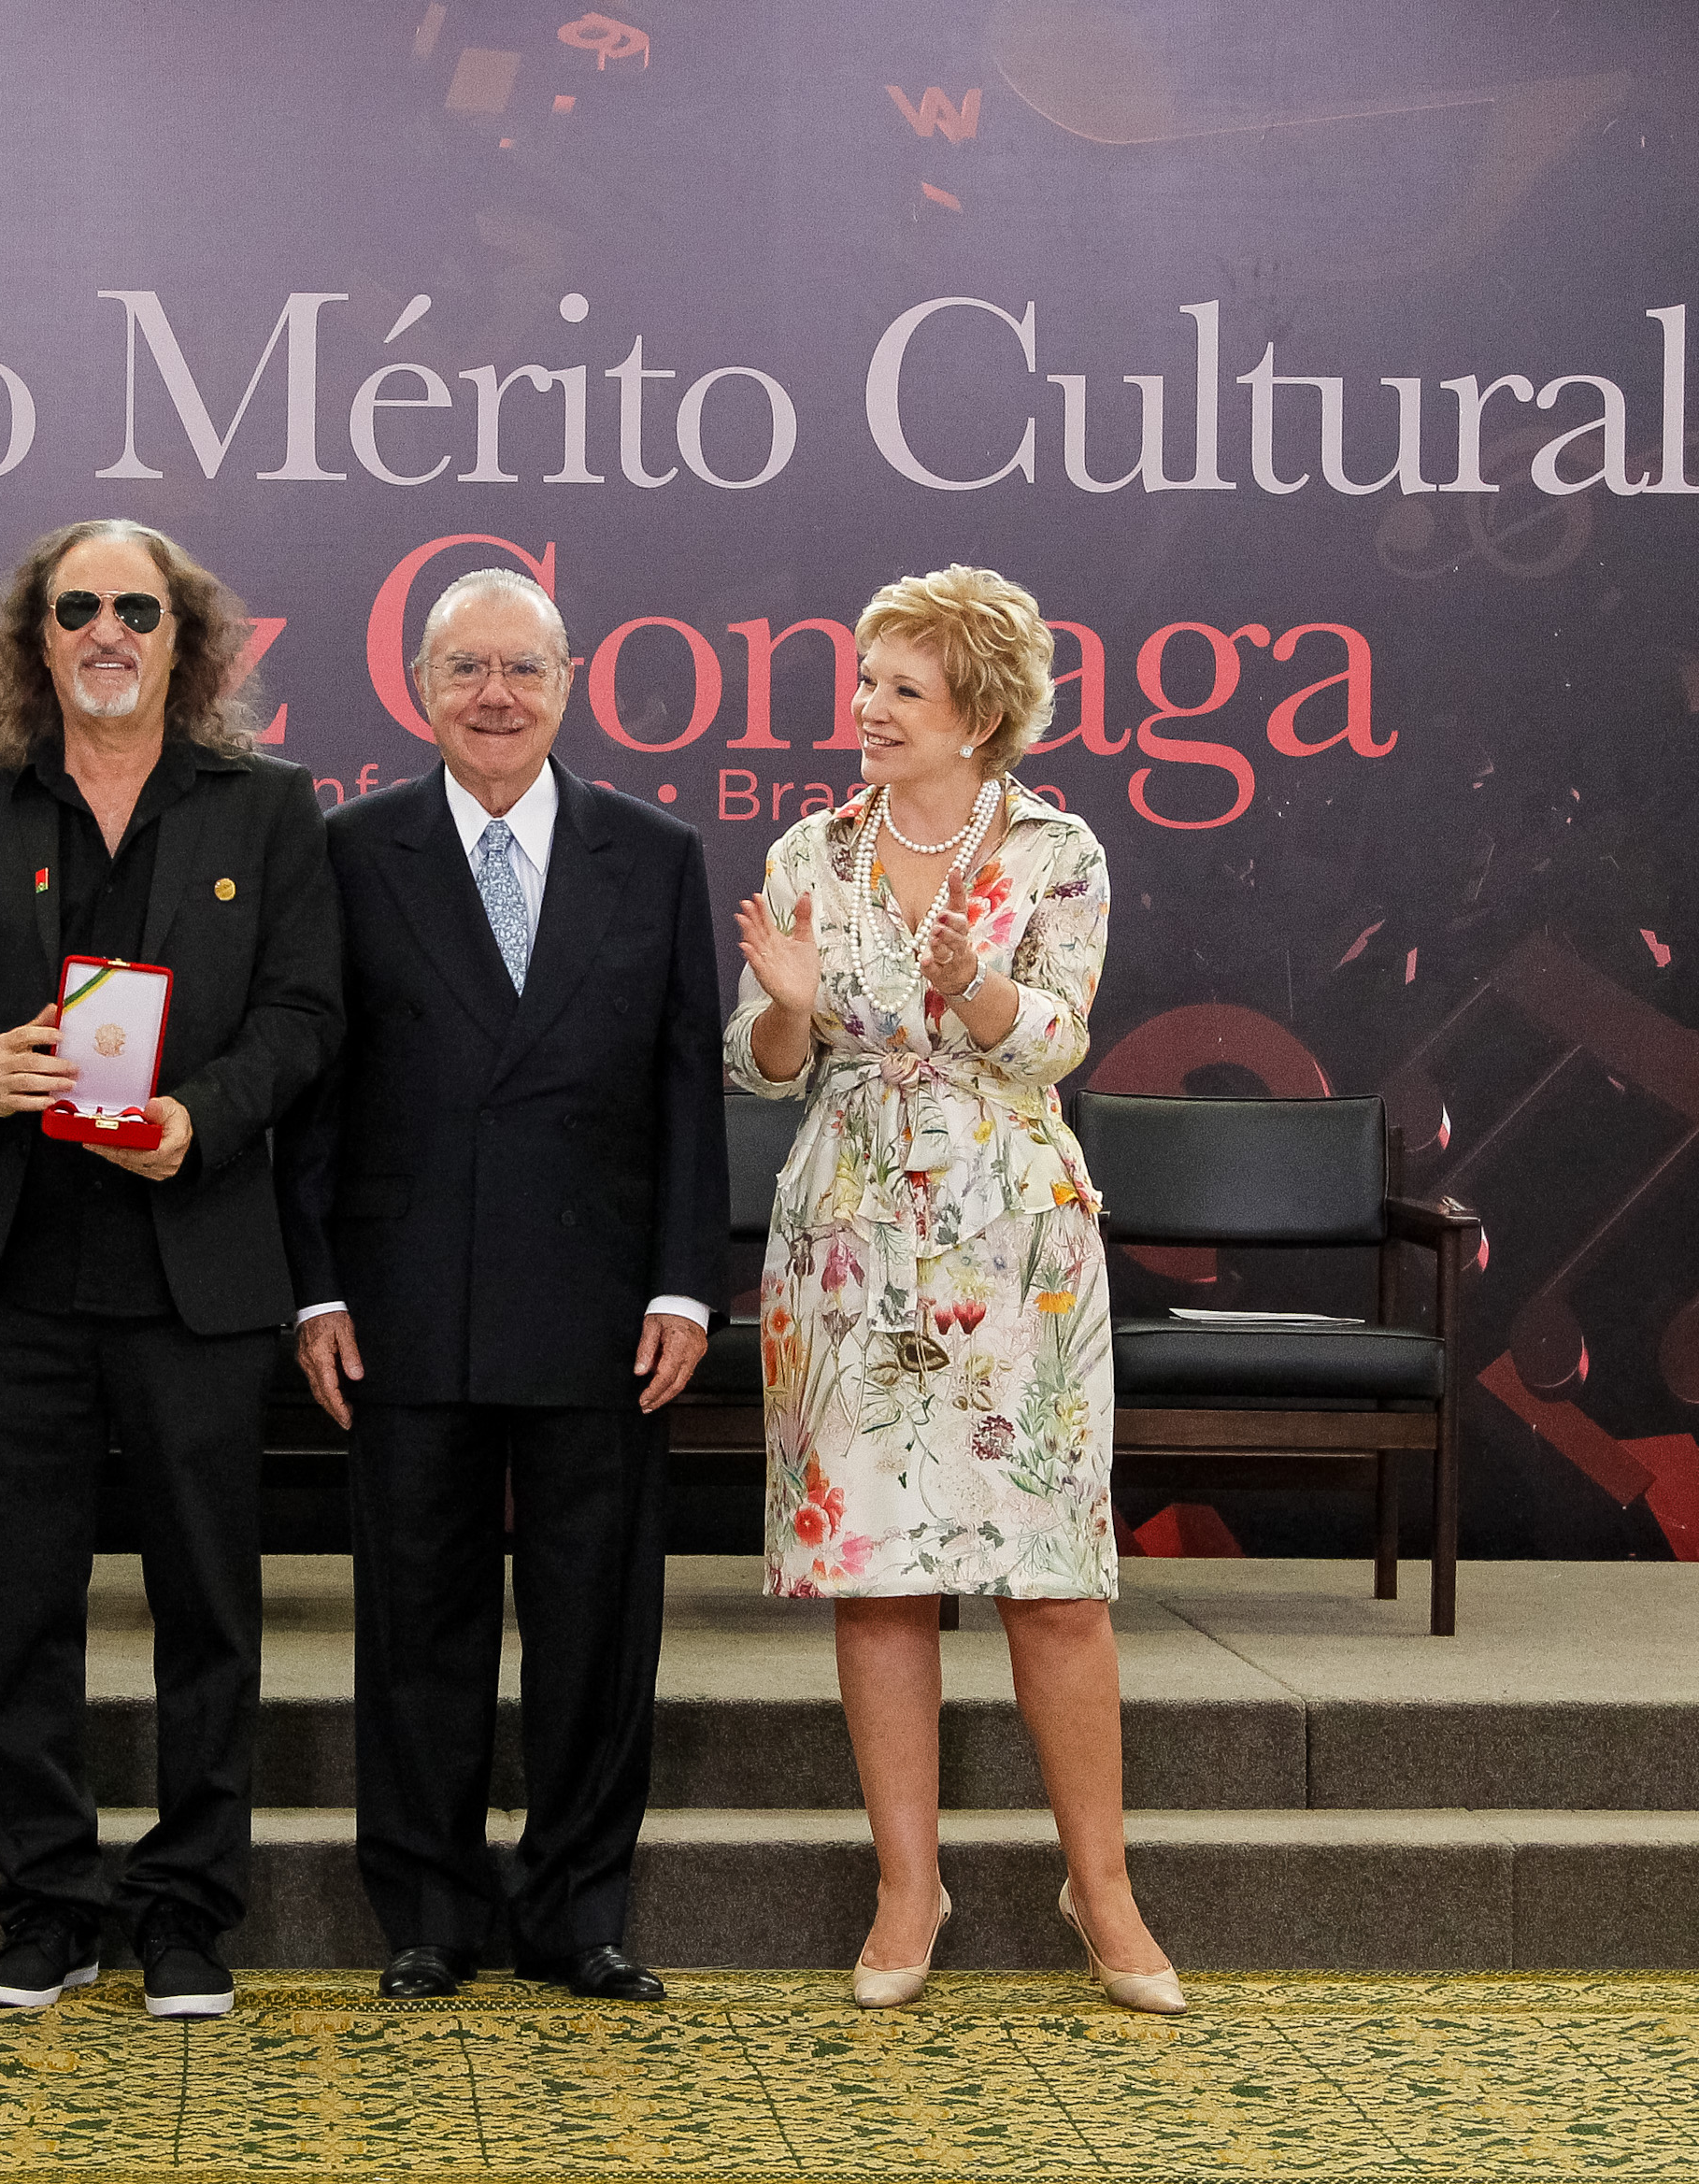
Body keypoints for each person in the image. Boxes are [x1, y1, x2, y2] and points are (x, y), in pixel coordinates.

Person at [724, 564, 1180, 2015]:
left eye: (898, 690)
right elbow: (758, 1060)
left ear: (978, 713)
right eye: (863, 684)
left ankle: (1099, 1885)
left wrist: (978, 986)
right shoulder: (813, 848)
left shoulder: (1059, 849)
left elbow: (1055, 1037)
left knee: (1051, 1575)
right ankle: (904, 1886)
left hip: (1010, 1236)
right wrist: (789, 1012)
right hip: (849, 1232)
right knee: (879, 1571)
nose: (865, 710)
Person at [0, 520, 343, 2020]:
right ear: (36, 640)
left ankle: (184, 1912)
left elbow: (302, 1012)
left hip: (195, 1267)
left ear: (184, 640)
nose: (106, 630)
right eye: (76, 607)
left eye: (135, 610)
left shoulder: (271, 811)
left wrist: (198, 1118)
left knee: (207, 1611)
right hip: (15, 1271)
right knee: (22, 1611)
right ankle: (43, 1906)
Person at [280, 569, 726, 2004]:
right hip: (403, 1296)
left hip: (604, 1305)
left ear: (570, 683)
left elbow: (682, 1094)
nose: (494, 694)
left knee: (599, 1622)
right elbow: (316, 1092)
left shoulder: (652, 853)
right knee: (417, 1619)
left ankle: (579, 1909)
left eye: (522, 669)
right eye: (465, 667)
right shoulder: (350, 850)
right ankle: (428, 1908)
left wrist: (683, 1284)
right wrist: (314, 1289)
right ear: (419, 686)